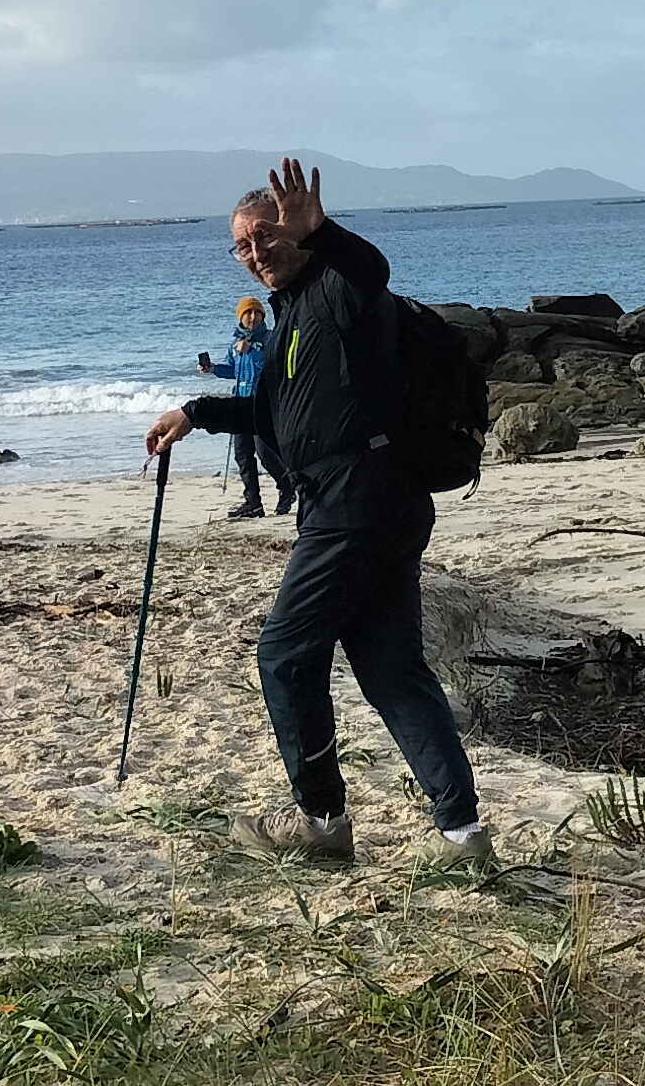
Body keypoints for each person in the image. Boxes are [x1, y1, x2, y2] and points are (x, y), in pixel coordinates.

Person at [148, 161, 490, 871]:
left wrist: (321, 232)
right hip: (371, 502)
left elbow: (372, 270)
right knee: (391, 669)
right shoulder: (290, 317)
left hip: (357, 501)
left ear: (297, 233)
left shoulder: (337, 290)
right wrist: (195, 412)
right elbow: (280, 413)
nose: (256, 252)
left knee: (284, 653)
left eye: (266, 236)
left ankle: (321, 820)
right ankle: (462, 833)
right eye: (242, 245)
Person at [196, 295, 275, 518]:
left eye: (256, 313)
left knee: (266, 453)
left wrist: (251, 351)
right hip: (240, 401)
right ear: (240, 317)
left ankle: (286, 488)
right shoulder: (235, 343)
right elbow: (233, 370)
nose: (252, 317)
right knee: (242, 454)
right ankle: (253, 502)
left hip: (261, 402)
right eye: (248, 313)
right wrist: (213, 369)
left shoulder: (269, 338)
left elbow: (269, 365)